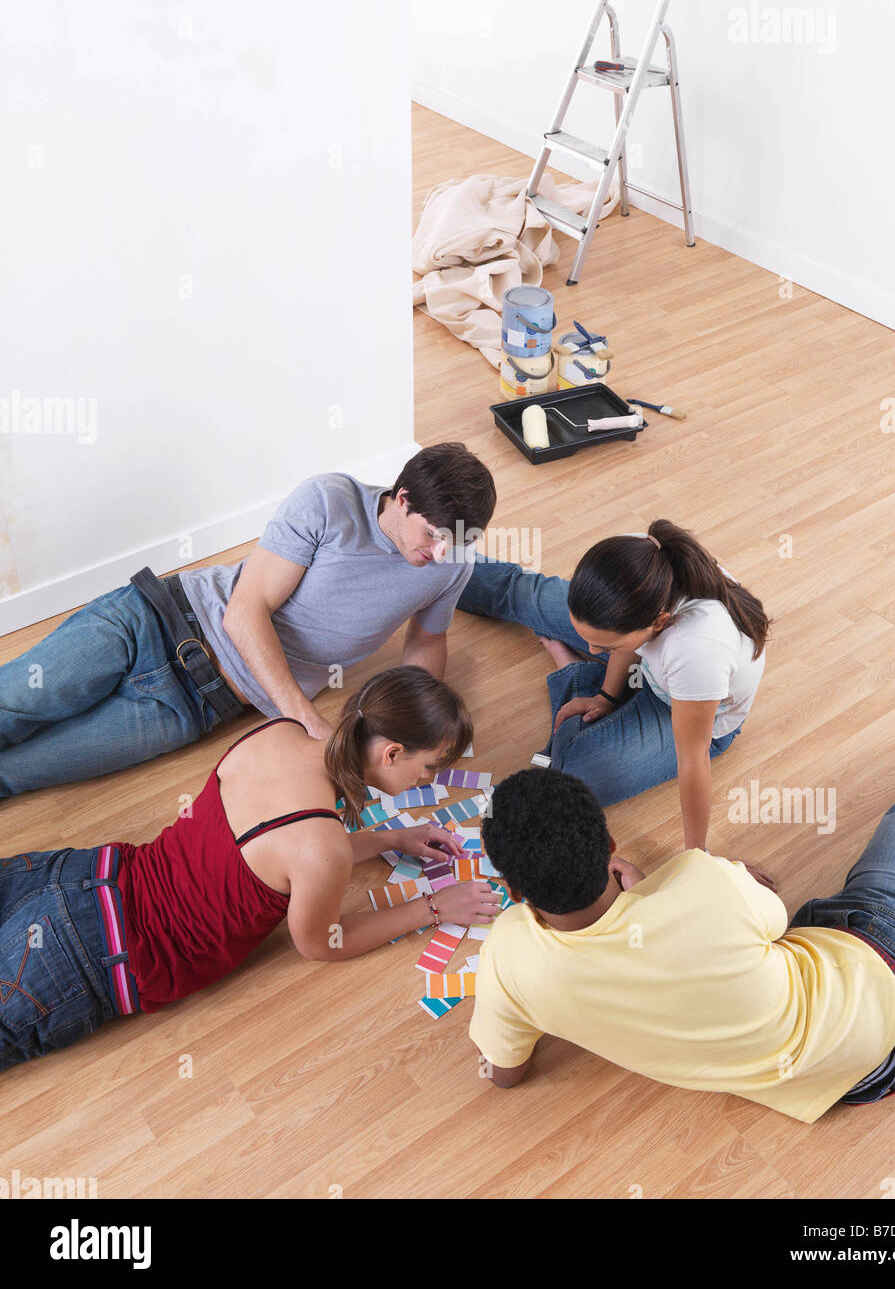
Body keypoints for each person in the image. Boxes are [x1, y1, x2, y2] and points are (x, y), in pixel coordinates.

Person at [0, 666, 500, 1071]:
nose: (425, 778)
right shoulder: (321, 847)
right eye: (430, 766)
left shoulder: (279, 733)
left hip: (81, 875)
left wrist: (392, 838)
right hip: (91, 956)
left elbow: (280, 847)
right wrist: (435, 905)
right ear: (391, 752)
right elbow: (322, 943)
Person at [468, 752, 895, 1123]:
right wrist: (658, 892)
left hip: (854, 1070)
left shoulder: (506, 957)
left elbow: (505, 1073)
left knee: (828, 908)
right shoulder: (700, 878)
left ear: (512, 888)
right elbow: (774, 916)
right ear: (611, 845)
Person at [0, 442, 496, 797]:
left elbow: (427, 641)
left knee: (19, 771)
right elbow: (244, 613)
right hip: (155, 621)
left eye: (454, 542)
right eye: (432, 535)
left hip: (196, 707)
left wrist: (416, 729)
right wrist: (307, 722)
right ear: (403, 497)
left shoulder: (450, 563)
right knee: (12, 706)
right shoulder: (330, 501)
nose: (439, 552)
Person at [456, 518, 768, 853]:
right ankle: (446, 562)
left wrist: (698, 856)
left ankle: (574, 672)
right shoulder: (638, 558)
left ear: (658, 621)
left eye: (602, 649)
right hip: (645, 657)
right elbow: (622, 642)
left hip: (684, 710)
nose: (591, 650)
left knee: (571, 776)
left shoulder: (698, 649)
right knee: (528, 595)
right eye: (588, 644)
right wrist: (606, 695)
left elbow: (692, 759)